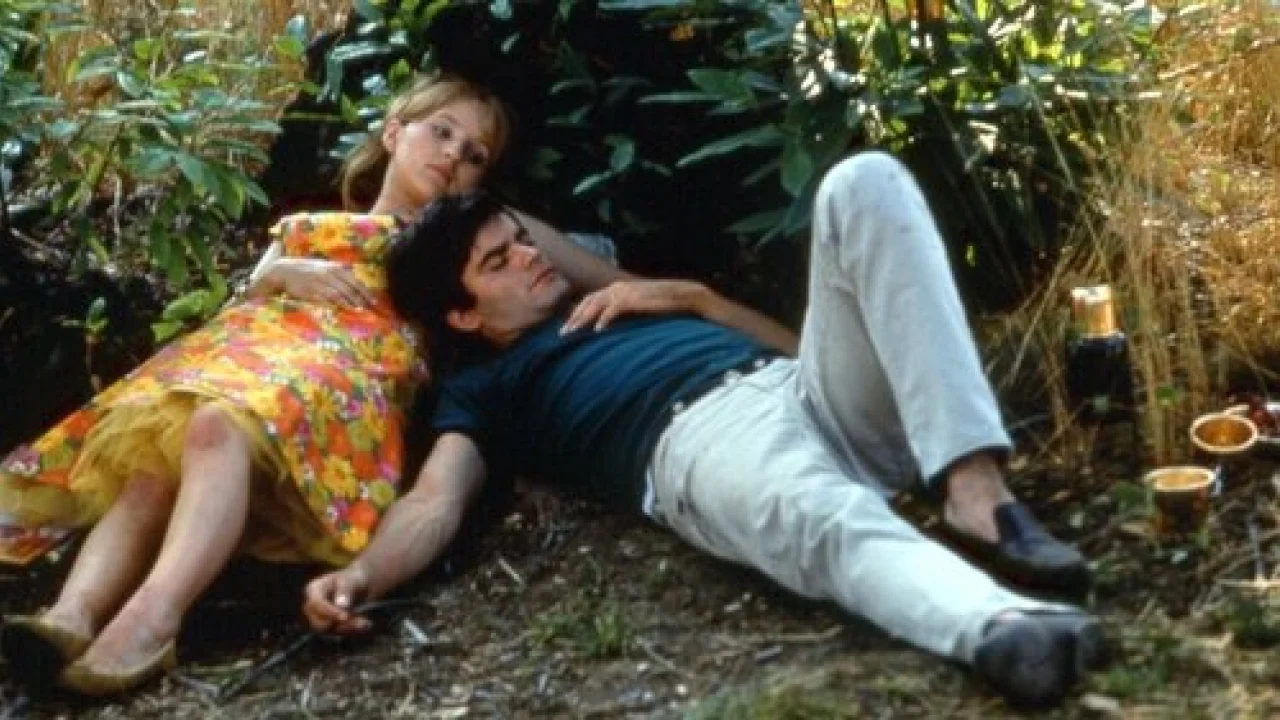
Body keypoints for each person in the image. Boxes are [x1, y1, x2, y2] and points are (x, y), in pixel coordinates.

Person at [302, 154, 1105, 709]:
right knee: (820, 517)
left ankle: (975, 489)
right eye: (496, 263)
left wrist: (698, 301)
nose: (528, 258)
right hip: (700, 442)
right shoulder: (482, 390)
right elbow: (435, 501)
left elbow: (800, 351)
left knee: (863, 181)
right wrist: (363, 574)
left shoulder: (620, 301)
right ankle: (997, 627)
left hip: (803, 390)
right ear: (462, 315)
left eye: (520, 242)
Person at [0, 73, 628, 697]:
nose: (452, 156)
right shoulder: (308, 230)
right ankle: (71, 617)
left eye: (474, 155)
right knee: (152, 462)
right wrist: (281, 275)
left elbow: (606, 278)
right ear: (393, 132)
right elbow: (239, 306)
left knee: (216, 424)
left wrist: (653, 296)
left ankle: (152, 620)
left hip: (341, 380)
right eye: (441, 132)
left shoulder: (478, 229)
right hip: (245, 355)